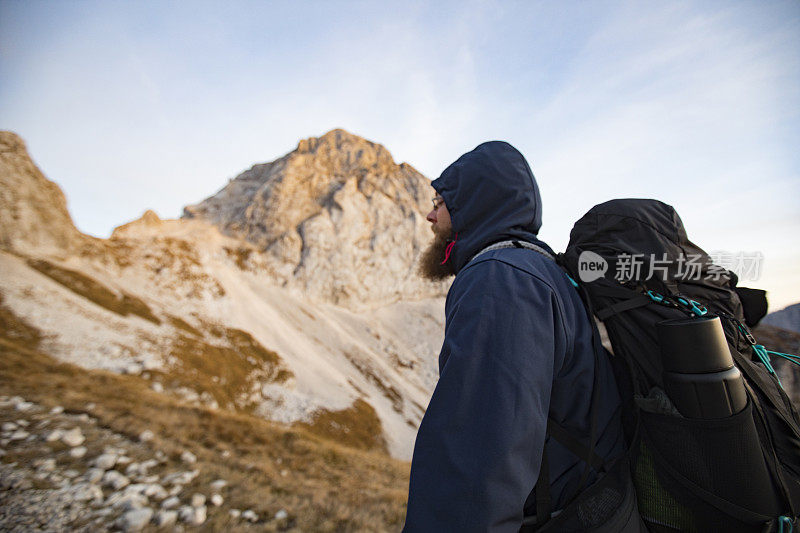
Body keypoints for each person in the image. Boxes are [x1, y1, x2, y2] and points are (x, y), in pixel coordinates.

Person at [405, 141, 638, 532]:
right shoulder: (540, 268)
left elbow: (477, 459)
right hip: (591, 506)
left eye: (440, 202)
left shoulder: (500, 279)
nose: (430, 215)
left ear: (472, 205)